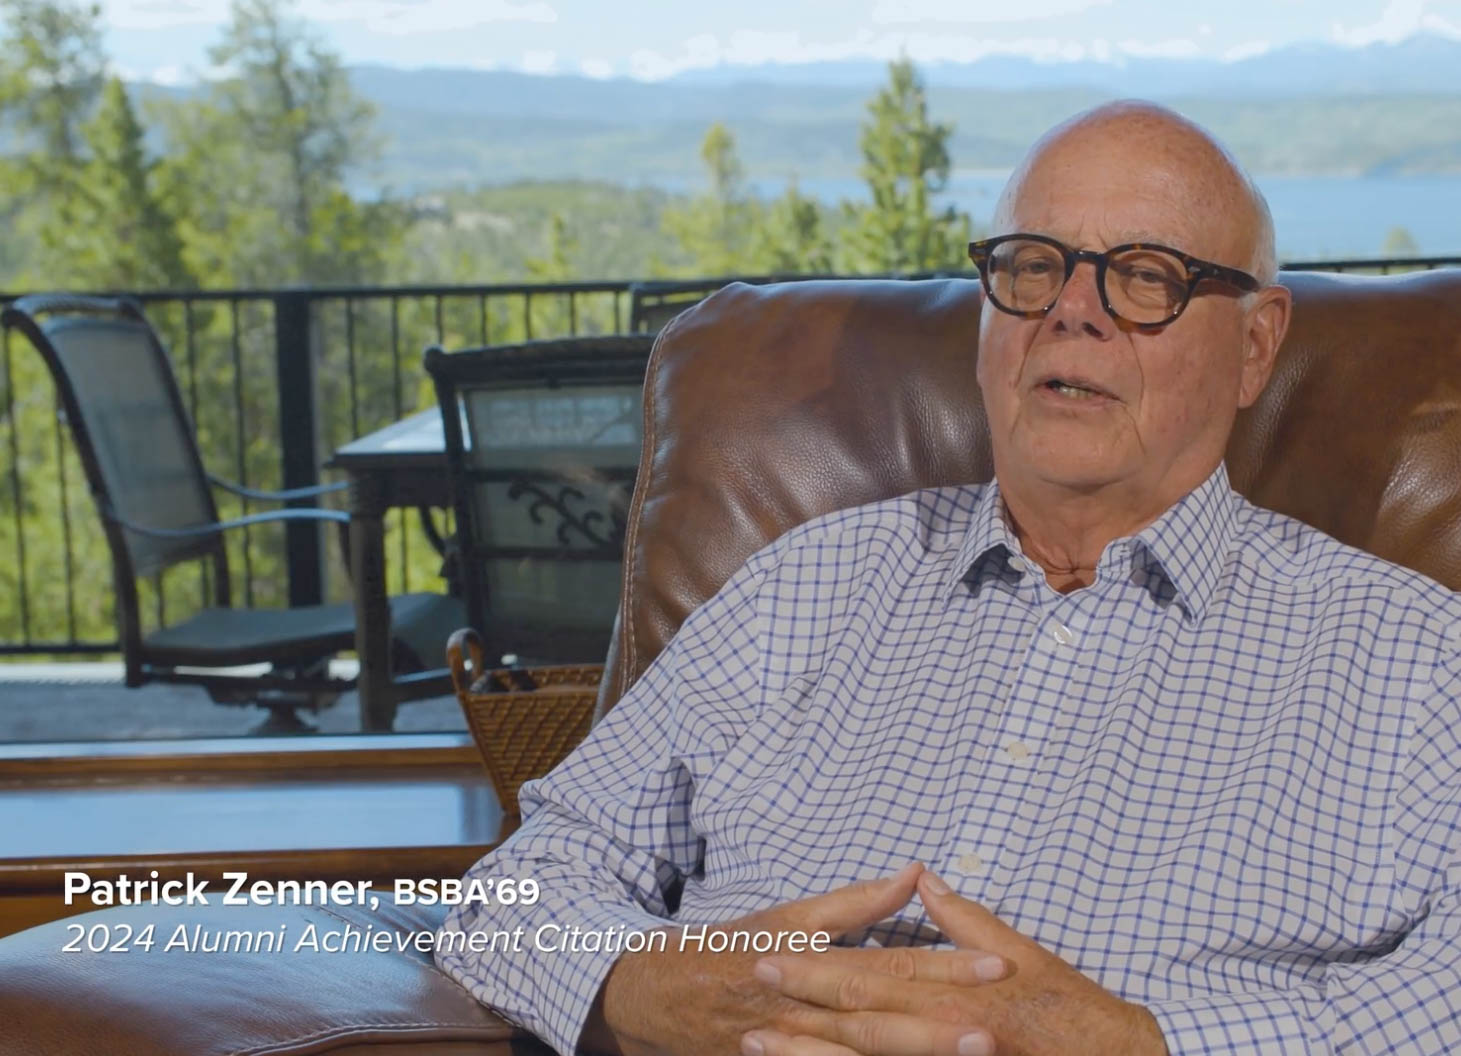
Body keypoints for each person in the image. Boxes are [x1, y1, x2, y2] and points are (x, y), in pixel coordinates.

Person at [436, 101, 1461, 1056]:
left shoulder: (1409, 661)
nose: (1071, 312)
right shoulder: (801, 586)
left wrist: (1142, 1043)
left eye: (1144, 277)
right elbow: (517, 886)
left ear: (1253, 345)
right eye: (1031, 265)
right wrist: (647, 986)